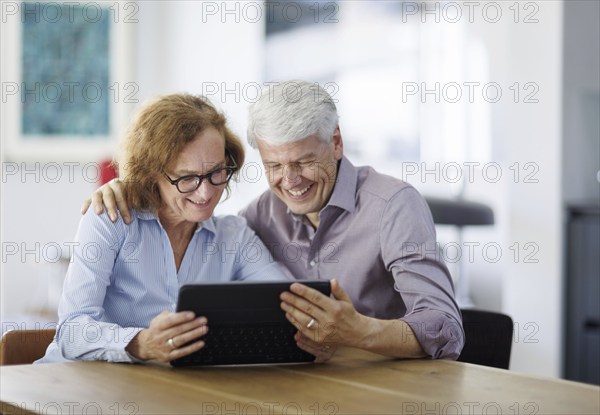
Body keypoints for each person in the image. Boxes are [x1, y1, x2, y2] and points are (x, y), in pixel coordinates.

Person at [83, 81, 464, 360]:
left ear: (335, 143)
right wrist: (128, 186)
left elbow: (446, 329)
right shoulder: (259, 217)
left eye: (303, 162)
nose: (290, 180)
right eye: (274, 166)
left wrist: (363, 331)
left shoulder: (393, 206)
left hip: (393, 387)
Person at [38, 93, 289, 364]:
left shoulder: (234, 235)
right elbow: (71, 331)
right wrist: (139, 343)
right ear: (151, 173)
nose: (206, 193)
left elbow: (285, 302)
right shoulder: (110, 219)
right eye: (187, 178)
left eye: (217, 172)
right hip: (76, 386)